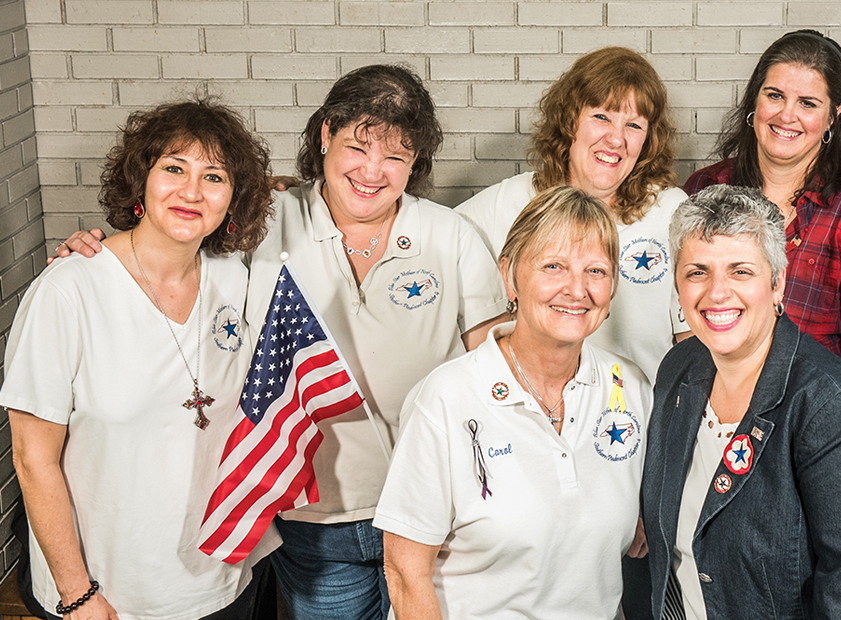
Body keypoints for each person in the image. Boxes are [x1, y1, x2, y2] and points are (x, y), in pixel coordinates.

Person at [52, 65, 507, 620]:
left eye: (395, 156)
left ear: (416, 164)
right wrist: (98, 248)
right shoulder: (262, 222)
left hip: (433, 511)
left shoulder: (452, 234)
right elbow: (171, 243)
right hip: (312, 524)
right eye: (357, 147)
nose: (372, 171)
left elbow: (493, 371)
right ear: (324, 136)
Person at [1, 99, 275, 619]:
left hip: (221, 577)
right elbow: (32, 460)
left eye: (214, 177)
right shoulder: (69, 290)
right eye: (174, 168)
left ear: (232, 198)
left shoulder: (236, 279)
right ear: (140, 181)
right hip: (108, 591)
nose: (191, 192)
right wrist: (78, 594)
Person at [377, 186, 653, 619]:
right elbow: (404, 569)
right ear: (510, 276)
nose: (576, 289)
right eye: (553, 266)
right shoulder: (446, 399)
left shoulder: (631, 389)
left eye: (596, 271)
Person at [642, 184, 841, 619]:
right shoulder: (678, 370)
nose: (717, 293)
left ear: (778, 282)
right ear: (677, 284)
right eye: (697, 272)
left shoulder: (835, 410)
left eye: (741, 271)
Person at [683, 30, 841, 425]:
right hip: (707, 418)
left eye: (807, 103)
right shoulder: (705, 189)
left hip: (807, 435)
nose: (786, 115)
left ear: (834, 114)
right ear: (755, 99)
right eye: (775, 95)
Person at [456, 46, 689, 382]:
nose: (616, 139)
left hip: (641, 421)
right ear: (570, 121)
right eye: (601, 117)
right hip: (531, 423)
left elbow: (694, 344)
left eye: (634, 126)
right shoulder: (505, 206)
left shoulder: (670, 212)